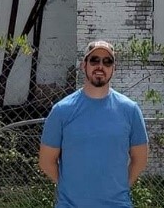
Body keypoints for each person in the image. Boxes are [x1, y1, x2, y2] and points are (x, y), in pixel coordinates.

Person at [39, 39, 149, 208]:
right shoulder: (61, 111)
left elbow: (140, 159)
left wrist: (119, 188)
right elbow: (46, 161)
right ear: (84, 65)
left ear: (113, 68)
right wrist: (72, 189)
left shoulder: (130, 110)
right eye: (94, 60)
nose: (100, 66)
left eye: (107, 62)